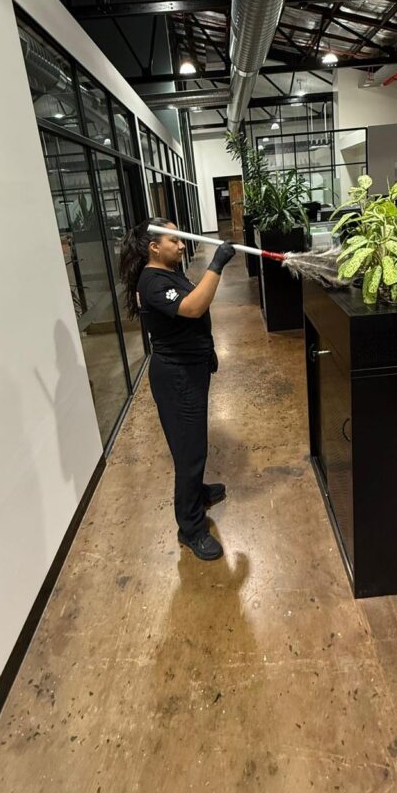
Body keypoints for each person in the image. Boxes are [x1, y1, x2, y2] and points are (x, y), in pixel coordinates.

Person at [120, 218, 237, 561]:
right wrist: (217, 264)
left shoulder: (170, 272)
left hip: (190, 367)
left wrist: (206, 349)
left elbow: (189, 317)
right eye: (175, 240)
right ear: (154, 247)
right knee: (189, 452)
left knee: (193, 441)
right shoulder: (152, 281)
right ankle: (191, 527)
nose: (182, 245)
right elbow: (193, 307)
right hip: (176, 377)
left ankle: (196, 493)